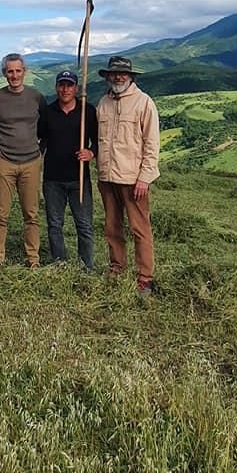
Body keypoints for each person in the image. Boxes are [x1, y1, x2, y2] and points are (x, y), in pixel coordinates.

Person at [0, 53, 46, 268]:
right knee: (0, 214)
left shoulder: (36, 96)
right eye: (10, 71)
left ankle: (33, 259)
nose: (14, 75)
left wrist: (40, 148)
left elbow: (48, 123)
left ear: (25, 71)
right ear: (4, 73)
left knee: (31, 214)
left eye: (18, 71)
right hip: (4, 162)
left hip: (31, 161)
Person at [96, 56, 160, 297]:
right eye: (113, 74)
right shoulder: (103, 103)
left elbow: (152, 144)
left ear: (131, 76)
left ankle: (145, 278)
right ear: (108, 76)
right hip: (107, 177)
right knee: (112, 227)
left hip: (133, 180)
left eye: (122, 73)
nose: (118, 77)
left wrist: (145, 177)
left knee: (139, 229)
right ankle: (116, 268)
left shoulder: (144, 103)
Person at [38, 69, 98, 271]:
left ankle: (87, 267)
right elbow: (41, 138)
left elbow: (98, 141)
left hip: (79, 178)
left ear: (76, 88)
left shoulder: (87, 111)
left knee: (84, 225)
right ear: (56, 87)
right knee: (55, 225)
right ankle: (59, 263)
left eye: (69, 85)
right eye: (62, 85)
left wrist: (91, 152)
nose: (65, 89)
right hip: (52, 179)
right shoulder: (47, 112)